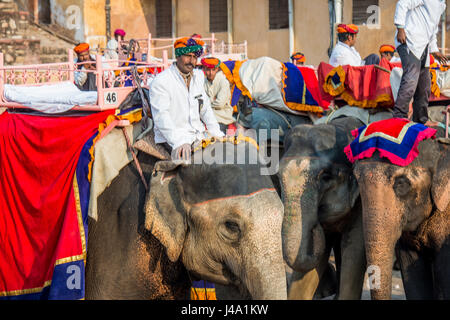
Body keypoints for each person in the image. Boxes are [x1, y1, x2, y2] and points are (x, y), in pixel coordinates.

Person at [150, 37, 224, 160]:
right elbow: (161, 117)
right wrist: (179, 142)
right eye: (187, 56)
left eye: (194, 57)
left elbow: (205, 109)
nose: (191, 61)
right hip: (173, 137)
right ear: (177, 57)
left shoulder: (198, 77)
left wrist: (217, 134)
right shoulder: (161, 82)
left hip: (197, 135)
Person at [392, 0, 447, 124]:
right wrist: (400, 27)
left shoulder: (441, 4)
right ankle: (399, 116)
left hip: (423, 46)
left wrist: (434, 50)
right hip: (409, 40)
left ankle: (421, 120)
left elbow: (431, 30)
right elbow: (402, 3)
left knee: (424, 86)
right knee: (411, 80)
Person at [201, 57, 236, 134]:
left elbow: (219, 104)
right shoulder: (203, 82)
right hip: (207, 115)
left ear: (217, 70)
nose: (211, 73)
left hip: (222, 117)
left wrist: (206, 104)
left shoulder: (223, 82)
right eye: (208, 70)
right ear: (204, 69)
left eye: (213, 70)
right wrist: (212, 101)